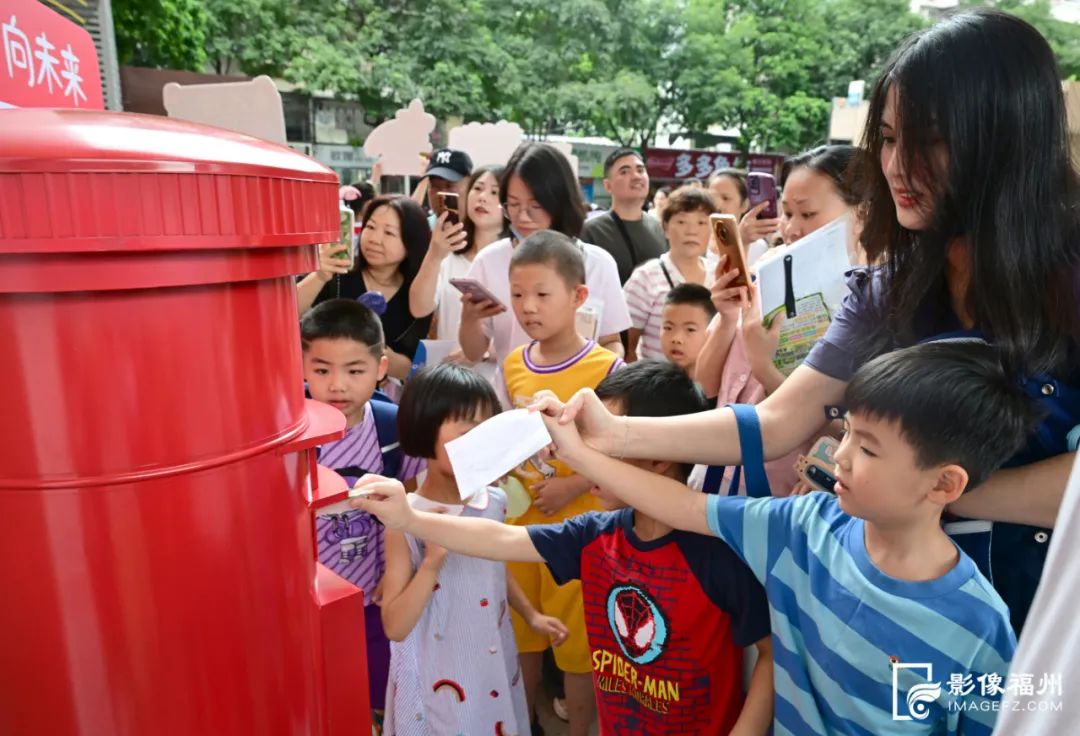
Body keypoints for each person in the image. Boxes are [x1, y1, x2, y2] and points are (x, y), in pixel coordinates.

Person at [539, 9, 1080, 635]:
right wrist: (616, 435)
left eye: (928, 137)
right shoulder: (889, 290)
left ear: (1007, 133)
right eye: (886, 137)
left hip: (1032, 624)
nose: (897, 165)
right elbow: (778, 419)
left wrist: (918, 488)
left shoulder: (1065, 284)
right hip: (884, 617)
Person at [538, 342, 1039, 734]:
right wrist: (583, 455)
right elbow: (688, 506)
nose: (839, 456)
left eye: (867, 448)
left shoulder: (979, 627)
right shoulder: (805, 526)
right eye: (845, 433)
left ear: (944, 483)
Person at [351, 360, 774, 735]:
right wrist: (408, 519)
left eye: (602, 439)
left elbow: (770, 657)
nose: (580, 455)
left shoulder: (718, 551)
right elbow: (503, 540)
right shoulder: (595, 535)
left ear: (658, 456)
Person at [378, 363, 568, 736]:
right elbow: (395, 626)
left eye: (486, 432)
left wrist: (529, 615)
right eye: (466, 434)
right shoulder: (405, 517)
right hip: (437, 673)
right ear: (423, 431)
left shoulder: (493, 501)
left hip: (492, 661)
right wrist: (432, 564)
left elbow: (493, 567)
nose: (478, 444)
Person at [495, 231, 624, 735]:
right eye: (518, 294)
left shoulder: (608, 369)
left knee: (576, 642)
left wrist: (571, 487)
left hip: (580, 525)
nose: (527, 307)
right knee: (522, 633)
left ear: (578, 297)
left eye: (542, 294)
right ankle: (520, 722)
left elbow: (619, 451)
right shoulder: (513, 365)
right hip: (521, 522)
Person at [300, 299, 427, 731]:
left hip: (375, 597)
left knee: (380, 692)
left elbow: (416, 498)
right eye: (321, 370)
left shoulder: (393, 428)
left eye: (354, 371)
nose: (337, 385)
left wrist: (399, 578)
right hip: (305, 601)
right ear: (300, 365)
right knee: (316, 693)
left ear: (381, 367)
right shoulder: (287, 429)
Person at [458, 142, 631, 371]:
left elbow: (612, 342)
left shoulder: (598, 263)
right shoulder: (489, 261)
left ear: (559, 202)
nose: (522, 216)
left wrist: (599, 375)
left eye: (535, 205)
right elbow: (473, 353)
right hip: (513, 399)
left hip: (576, 400)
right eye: (513, 204)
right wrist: (470, 319)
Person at [298, 196, 434, 381]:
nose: (375, 239)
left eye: (389, 233)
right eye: (370, 227)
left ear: (411, 243)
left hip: (383, 400)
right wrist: (319, 276)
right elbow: (288, 312)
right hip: (322, 387)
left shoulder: (417, 294)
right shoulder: (336, 272)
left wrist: (380, 355)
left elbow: (413, 367)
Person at [409, 166, 507, 352]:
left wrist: (481, 351)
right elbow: (419, 308)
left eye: (495, 192)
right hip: (450, 374)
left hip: (498, 374)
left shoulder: (516, 261)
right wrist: (434, 255)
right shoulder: (448, 255)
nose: (483, 197)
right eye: (477, 188)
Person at [623, 187, 716, 362]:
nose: (691, 231)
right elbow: (628, 347)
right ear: (665, 227)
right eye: (681, 222)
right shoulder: (645, 278)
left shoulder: (719, 275)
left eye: (701, 223)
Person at [580, 149, 668, 285]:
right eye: (624, 172)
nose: (636, 176)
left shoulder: (659, 227)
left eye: (640, 170)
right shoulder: (591, 232)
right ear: (607, 186)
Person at [707, 169, 779, 257]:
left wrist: (743, 242)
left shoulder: (757, 247)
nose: (717, 205)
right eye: (711, 198)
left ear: (744, 205)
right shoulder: (696, 240)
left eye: (726, 198)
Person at [661, 283, 716, 382]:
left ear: (712, 331)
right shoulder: (650, 387)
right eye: (668, 328)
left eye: (690, 329)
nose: (676, 339)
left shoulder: (723, 387)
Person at [423, 148, 474, 228]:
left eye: (449, 185)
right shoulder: (421, 230)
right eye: (435, 186)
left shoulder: (486, 229)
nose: (442, 195)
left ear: (470, 186)